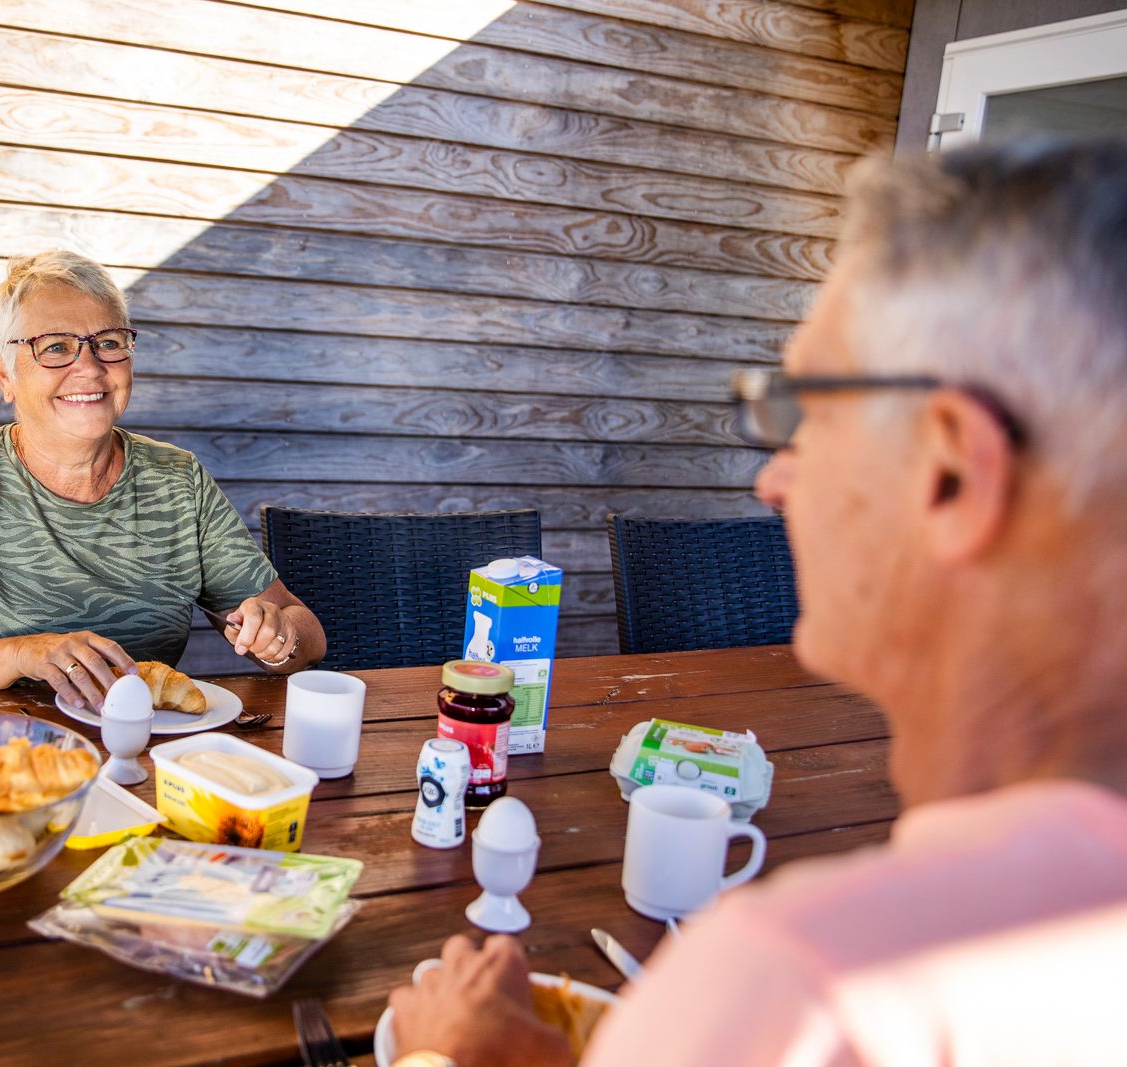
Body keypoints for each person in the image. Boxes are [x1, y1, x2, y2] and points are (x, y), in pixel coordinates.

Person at [387, 139, 1127, 1066]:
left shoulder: (809, 985)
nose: (773, 481)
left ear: (948, 474)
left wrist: (454, 1056)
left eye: (806, 413)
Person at [0, 250, 325, 706]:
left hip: (138, 750)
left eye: (109, 343)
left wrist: (276, 638)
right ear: (5, 374)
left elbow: (307, 635)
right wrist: (20, 653)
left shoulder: (178, 480)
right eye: (55, 347)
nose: (90, 368)